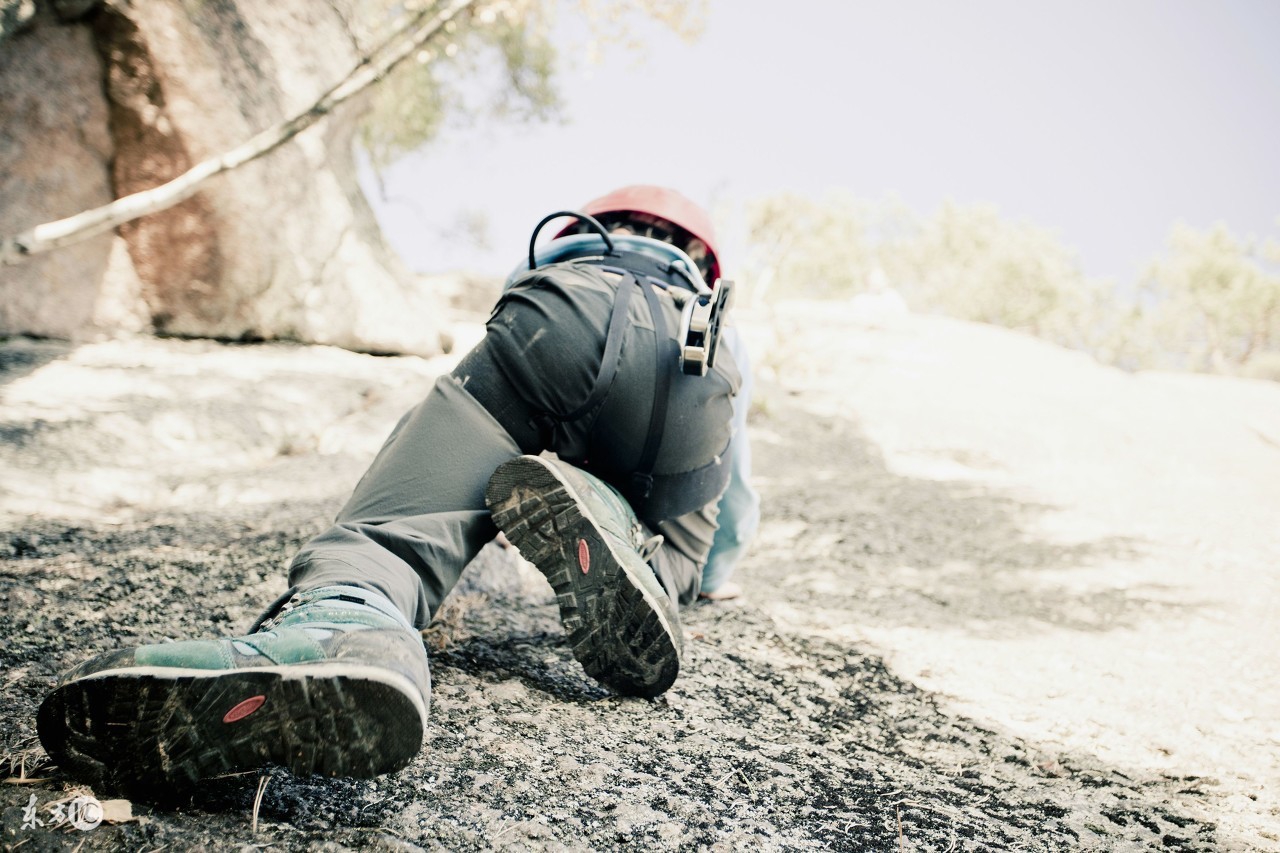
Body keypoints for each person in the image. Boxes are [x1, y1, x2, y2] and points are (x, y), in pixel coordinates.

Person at [36, 185, 760, 790]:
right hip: (696, 371)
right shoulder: (714, 311)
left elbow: (512, 321)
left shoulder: (564, 257)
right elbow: (733, 495)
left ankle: (349, 619)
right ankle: (631, 538)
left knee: (407, 519)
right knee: (677, 563)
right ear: (702, 259)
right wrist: (717, 565)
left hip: (562, 320)